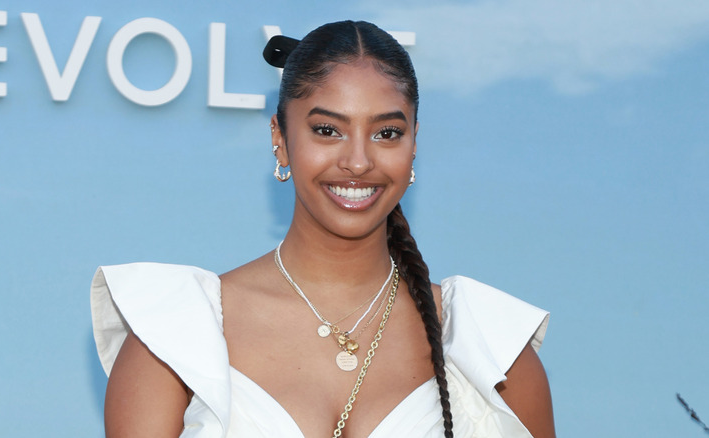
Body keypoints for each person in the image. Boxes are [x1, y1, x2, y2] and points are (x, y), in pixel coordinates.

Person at [92, 20, 555, 438]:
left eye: (387, 133)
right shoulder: (174, 338)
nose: (357, 161)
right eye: (328, 130)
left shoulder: (488, 349)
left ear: (415, 143)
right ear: (280, 138)